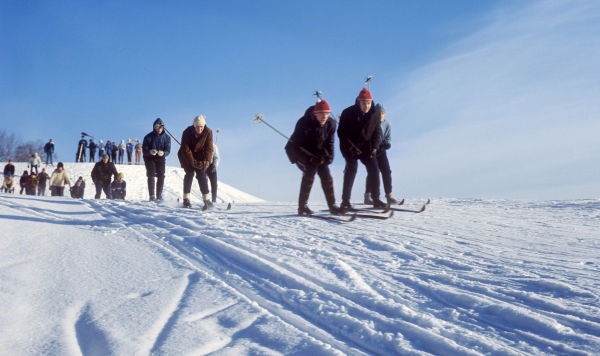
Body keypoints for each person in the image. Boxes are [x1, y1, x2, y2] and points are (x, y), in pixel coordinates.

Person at [285, 99, 341, 215]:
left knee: (327, 175)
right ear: (315, 114)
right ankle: (302, 207)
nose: (324, 117)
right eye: (321, 114)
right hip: (298, 152)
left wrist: (329, 157)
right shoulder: (303, 123)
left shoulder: (331, 124)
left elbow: (330, 143)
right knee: (310, 172)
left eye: (326, 114)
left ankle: (332, 206)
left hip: (317, 153)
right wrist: (308, 159)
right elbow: (295, 147)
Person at [338, 87, 387, 210]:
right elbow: (341, 133)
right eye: (363, 103)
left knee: (374, 169)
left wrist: (375, 148)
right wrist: (351, 147)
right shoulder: (347, 113)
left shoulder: (375, 113)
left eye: (368, 103)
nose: (366, 106)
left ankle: (376, 199)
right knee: (351, 169)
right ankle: (345, 201)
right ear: (358, 102)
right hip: (349, 147)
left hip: (366, 147)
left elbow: (376, 132)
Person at [364, 104, 399, 205]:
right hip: (371, 150)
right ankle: (368, 196)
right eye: (379, 113)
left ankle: (389, 196)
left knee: (387, 171)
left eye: (382, 113)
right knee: (373, 172)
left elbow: (388, 137)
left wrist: (387, 144)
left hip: (381, 150)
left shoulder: (387, 124)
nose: (381, 115)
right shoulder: (370, 122)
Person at [178, 115, 212, 208]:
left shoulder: (208, 132)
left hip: (200, 157)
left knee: (201, 175)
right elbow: (185, 149)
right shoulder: (187, 132)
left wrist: (207, 161)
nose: (199, 129)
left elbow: (209, 149)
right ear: (194, 126)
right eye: (197, 127)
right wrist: (192, 162)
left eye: (201, 127)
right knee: (189, 174)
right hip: (186, 156)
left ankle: (207, 200)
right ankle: (186, 199)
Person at [143, 118, 171, 201]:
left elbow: (168, 150)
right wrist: (150, 151)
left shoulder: (167, 137)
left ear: (163, 127)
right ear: (154, 127)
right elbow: (144, 150)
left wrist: (163, 153)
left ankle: (159, 196)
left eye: (160, 127)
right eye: (156, 127)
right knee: (151, 174)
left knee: (161, 175)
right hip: (149, 158)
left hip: (160, 158)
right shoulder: (148, 137)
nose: (158, 129)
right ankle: (152, 196)